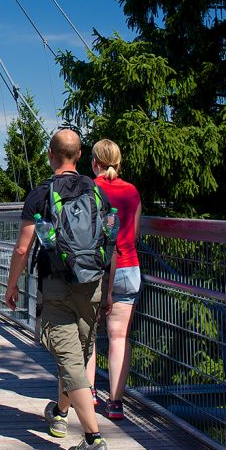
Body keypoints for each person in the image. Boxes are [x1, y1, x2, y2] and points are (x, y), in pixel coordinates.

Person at [4, 128, 110, 450]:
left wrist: (12, 285)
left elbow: (23, 249)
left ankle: (93, 440)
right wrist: (106, 292)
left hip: (57, 285)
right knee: (76, 355)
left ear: (50, 155)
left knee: (70, 360)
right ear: (80, 156)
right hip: (93, 284)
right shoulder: (96, 192)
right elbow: (112, 242)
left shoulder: (41, 194)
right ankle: (61, 414)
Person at [85, 139, 142, 421]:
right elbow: (135, 233)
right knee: (119, 337)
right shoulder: (132, 192)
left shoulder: (89, 189)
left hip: (97, 269)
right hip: (129, 267)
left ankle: (90, 393)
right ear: (118, 163)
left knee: (89, 336)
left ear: (94, 162)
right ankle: (116, 403)